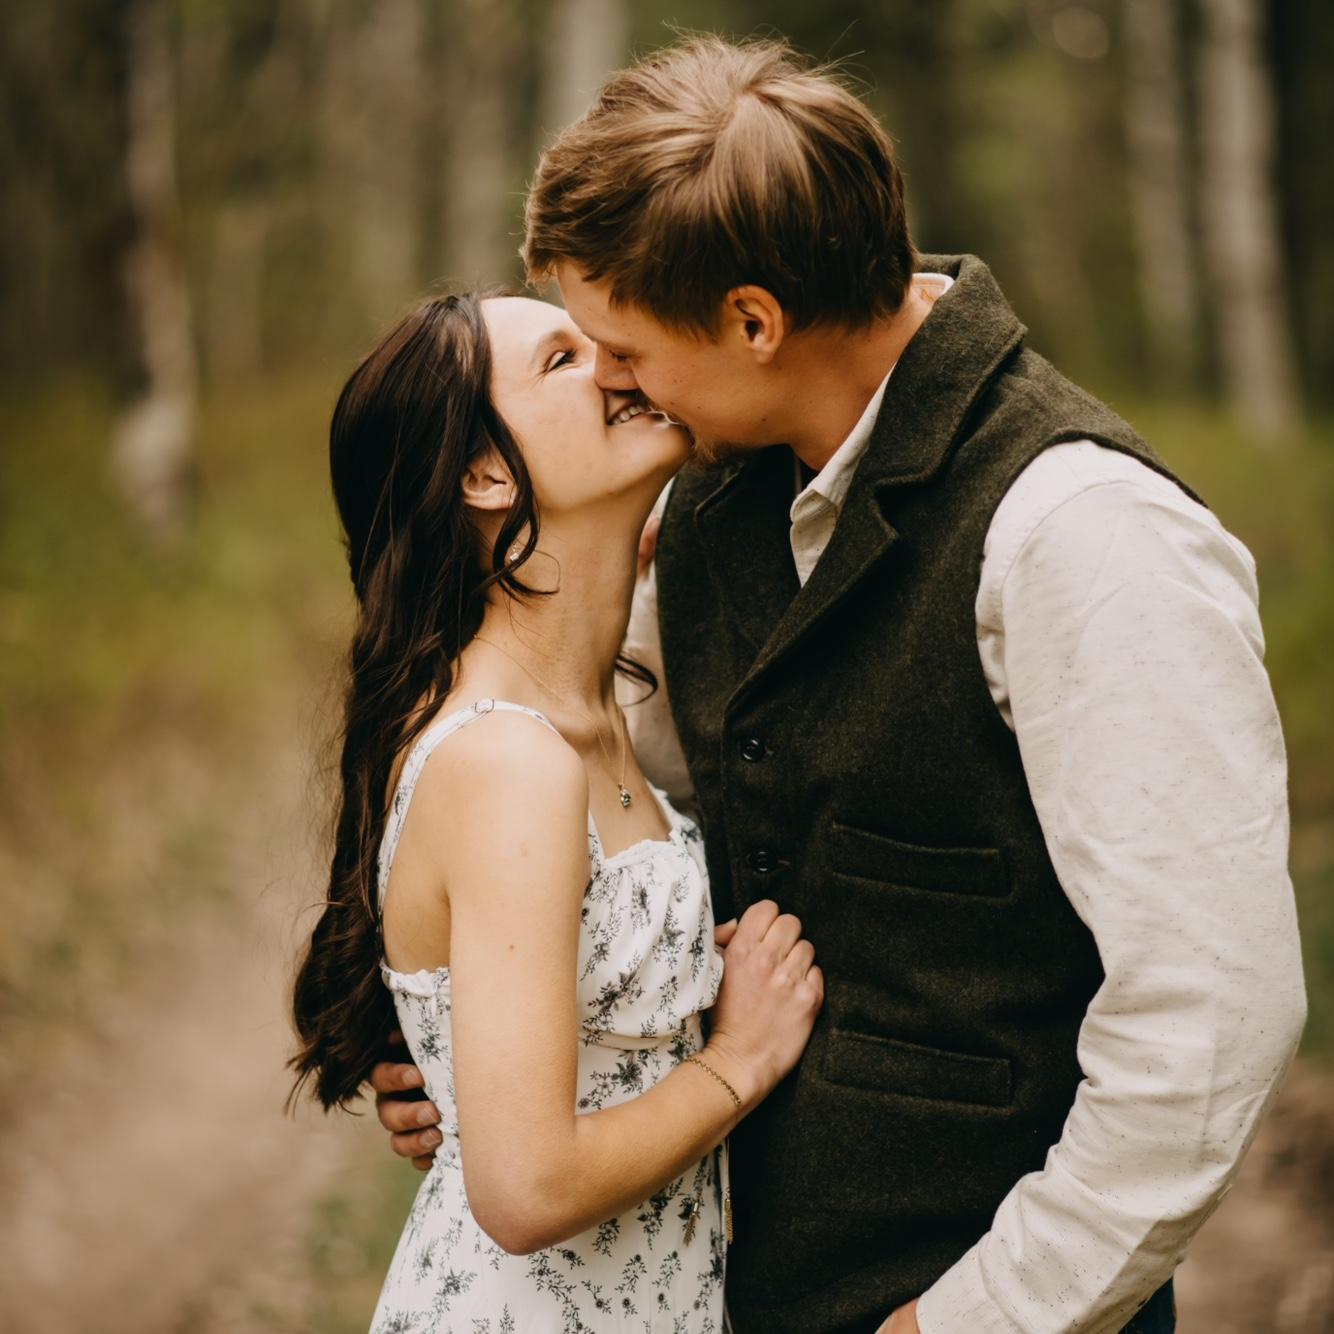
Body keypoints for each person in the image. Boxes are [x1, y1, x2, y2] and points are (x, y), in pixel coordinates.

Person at [373, 36, 1308, 1334]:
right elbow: (612, 840)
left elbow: (1208, 1017)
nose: (611, 380)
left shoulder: (1079, 535)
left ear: (753, 322)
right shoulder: (705, 492)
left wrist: (974, 1319)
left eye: (623, 345)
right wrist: (485, 1057)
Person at [288, 290, 824, 1330]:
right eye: (564, 358)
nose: (619, 365)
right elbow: (523, 1186)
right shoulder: (506, 758)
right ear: (486, 473)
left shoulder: (597, 707)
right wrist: (736, 1059)